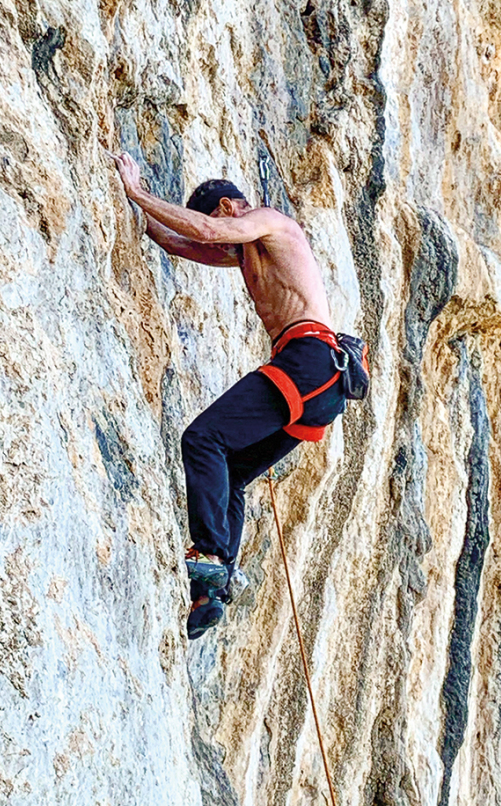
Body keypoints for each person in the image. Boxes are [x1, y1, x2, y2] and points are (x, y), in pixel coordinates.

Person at [113, 152, 348, 639]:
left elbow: (206, 231)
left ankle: (210, 555)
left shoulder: (268, 221)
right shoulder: (247, 250)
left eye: (218, 222)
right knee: (234, 473)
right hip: (321, 383)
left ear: (226, 207)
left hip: (310, 361)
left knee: (203, 439)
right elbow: (184, 243)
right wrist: (135, 212)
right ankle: (211, 591)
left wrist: (137, 191)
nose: (221, 240)